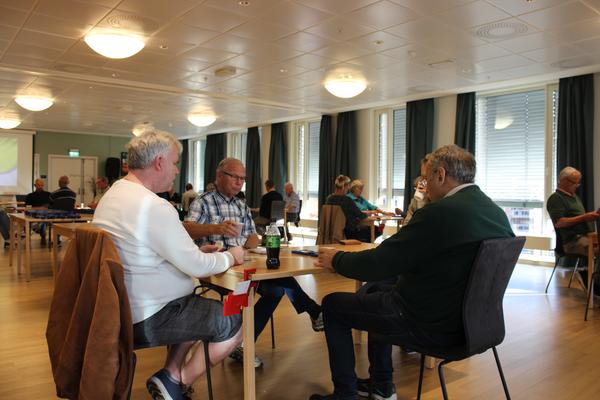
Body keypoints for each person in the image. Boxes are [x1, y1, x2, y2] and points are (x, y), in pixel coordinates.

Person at [309, 145, 514, 400]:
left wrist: (336, 259)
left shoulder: (439, 213)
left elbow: (379, 263)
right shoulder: (497, 214)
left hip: (428, 324)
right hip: (478, 327)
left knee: (332, 306)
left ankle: (345, 394)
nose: (424, 187)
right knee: (375, 291)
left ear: (440, 175)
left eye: (426, 180)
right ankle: (381, 385)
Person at [93, 130, 245, 400]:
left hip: (118, 309)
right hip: (148, 316)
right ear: (159, 162)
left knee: (195, 303)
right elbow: (198, 267)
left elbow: (147, 250)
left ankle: (170, 375)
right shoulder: (152, 205)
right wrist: (231, 257)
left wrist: (193, 251)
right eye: (175, 163)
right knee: (233, 321)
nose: (176, 170)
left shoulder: (113, 195)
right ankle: (176, 382)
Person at [185, 158, 323, 368]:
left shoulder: (241, 205)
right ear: (220, 175)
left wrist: (252, 240)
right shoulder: (203, 201)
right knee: (272, 284)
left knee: (276, 289)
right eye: (235, 177)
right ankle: (314, 311)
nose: (239, 182)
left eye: (243, 178)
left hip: (242, 265)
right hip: (216, 267)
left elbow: (252, 238)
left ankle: (242, 343)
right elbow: (187, 229)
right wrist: (216, 228)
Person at [546, 166, 599, 288]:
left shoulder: (574, 197)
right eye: (574, 182)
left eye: (578, 183)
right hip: (572, 241)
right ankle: (592, 282)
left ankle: (590, 278)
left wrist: (590, 216)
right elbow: (559, 222)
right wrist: (584, 217)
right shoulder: (556, 198)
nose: (577, 185)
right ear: (564, 181)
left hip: (586, 237)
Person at [325, 175, 376, 243]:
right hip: (347, 233)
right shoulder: (347, 200)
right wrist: (371, 216)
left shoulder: (329, 199)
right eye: (348, 186)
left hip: (331, 231)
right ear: (345, 187)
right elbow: (360, 215)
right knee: (372, 230)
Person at [25, 178, 51, 245]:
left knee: (42, 219)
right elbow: (27, 207)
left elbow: (51, 206)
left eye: (41, 185)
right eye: (38, 185)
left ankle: (43, 235)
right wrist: (39, 208)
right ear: (35, 185)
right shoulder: (30, 196)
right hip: (33, 215)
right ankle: (38, 232)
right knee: (40, 220)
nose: (40, 187)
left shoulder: (48, 195)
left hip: (45, 215)